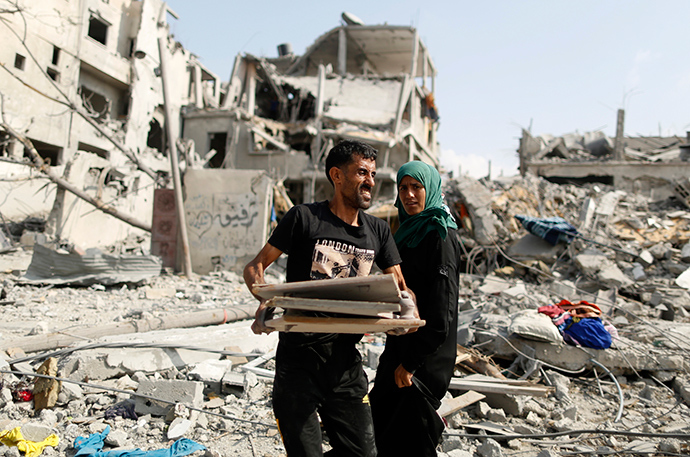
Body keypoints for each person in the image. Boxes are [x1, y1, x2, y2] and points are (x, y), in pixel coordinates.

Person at [243, 140, 415, 457]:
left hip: (345, 365)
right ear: (337, 175)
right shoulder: (304, 218)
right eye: (362, 172)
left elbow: (402, 289)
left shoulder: (378, 231)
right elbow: (256, 266)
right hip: (298, 367)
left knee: (364, 453)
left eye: (373, 174)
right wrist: (263, 299)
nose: (370, 182)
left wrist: (406, 316)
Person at [369, 161, 461, 457]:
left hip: (423, 361)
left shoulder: (439, 235)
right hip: (399, 349)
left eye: (417, 187)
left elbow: (440, 313)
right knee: (379, 429)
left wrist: (411, 364)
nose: (409, 195)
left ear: (430, 189)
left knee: (409, 441)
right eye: (403, 187)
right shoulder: (407, 231)